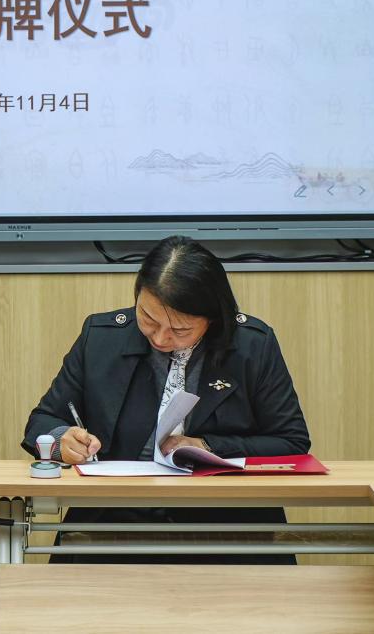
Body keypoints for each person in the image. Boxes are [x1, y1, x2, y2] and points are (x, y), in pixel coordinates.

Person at [23, 235, 310, 563]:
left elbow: (291, 441)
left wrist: (207, 446)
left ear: (212, 318)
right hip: (113, 522)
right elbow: (42, 422)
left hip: (226, 523)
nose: (160, 337)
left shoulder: (251, 346)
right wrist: (62, 441)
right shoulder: (101, 338)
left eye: (180, 330)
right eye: (148, 318)